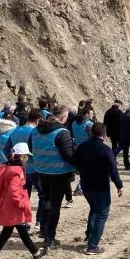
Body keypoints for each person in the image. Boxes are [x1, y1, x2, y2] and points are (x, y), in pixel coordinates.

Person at [0, 143, 44, 259]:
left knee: (18, 232)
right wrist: (22, 204)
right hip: (14, 208)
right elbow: (14, 191)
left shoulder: (9, 167)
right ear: (22, 157)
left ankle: (36, 252)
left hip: (10, 207)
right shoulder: (16, 171)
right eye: (26, 157)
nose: (27, 159)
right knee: (9, 235)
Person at [28, 105, 74, 251]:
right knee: (55, 205)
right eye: (66, 117)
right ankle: (49, 238)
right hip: (59, 174)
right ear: (62, 117)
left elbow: (30, 148)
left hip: (41, 171)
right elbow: (69, 155)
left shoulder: (35, 130)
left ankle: (43, 230)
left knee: (46, 201)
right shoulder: (62, 132)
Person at [73, 123, 123, 255]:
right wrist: (119, 185)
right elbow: (113, 169)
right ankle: (93, 246)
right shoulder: (105, 150)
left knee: (95, 209)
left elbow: (75, 162)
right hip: (100, 186)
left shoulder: (82, 147)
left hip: (86, 185)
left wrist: (82, 172)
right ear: (104, 134)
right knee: (102, 213)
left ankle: (90, 234)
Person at [5, 109, 44, 231]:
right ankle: (39, 222)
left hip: (21, 170)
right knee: (43, 196)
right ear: (39, 120)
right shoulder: (36, 132)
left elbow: (7, 149)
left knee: (23, 197)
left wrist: (14, 160)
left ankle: (23, 222)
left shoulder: (15, 130)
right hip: (36, 169)